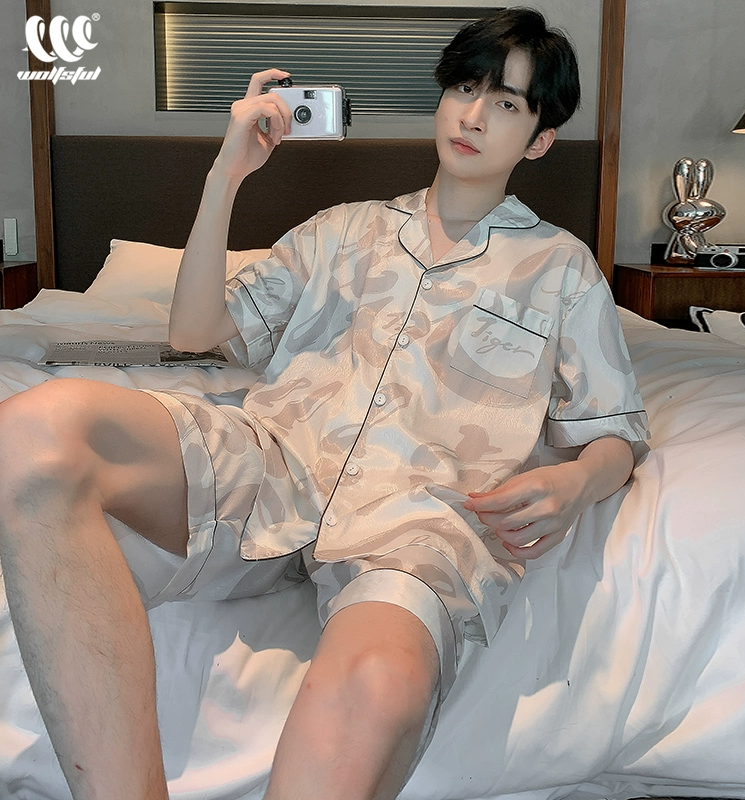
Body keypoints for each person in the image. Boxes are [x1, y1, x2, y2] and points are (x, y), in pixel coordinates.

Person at [0, 7, 648, 800]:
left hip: (418, 516)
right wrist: (226, 174)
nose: (474, 115)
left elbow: (616, 431)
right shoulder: (343, 230)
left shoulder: (562, 269)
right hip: (273, 463)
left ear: (539, 139)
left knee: (379, 681)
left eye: (506, 103)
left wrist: (577, 482)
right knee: (34, 431)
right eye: (465, 89)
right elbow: (196, 331)